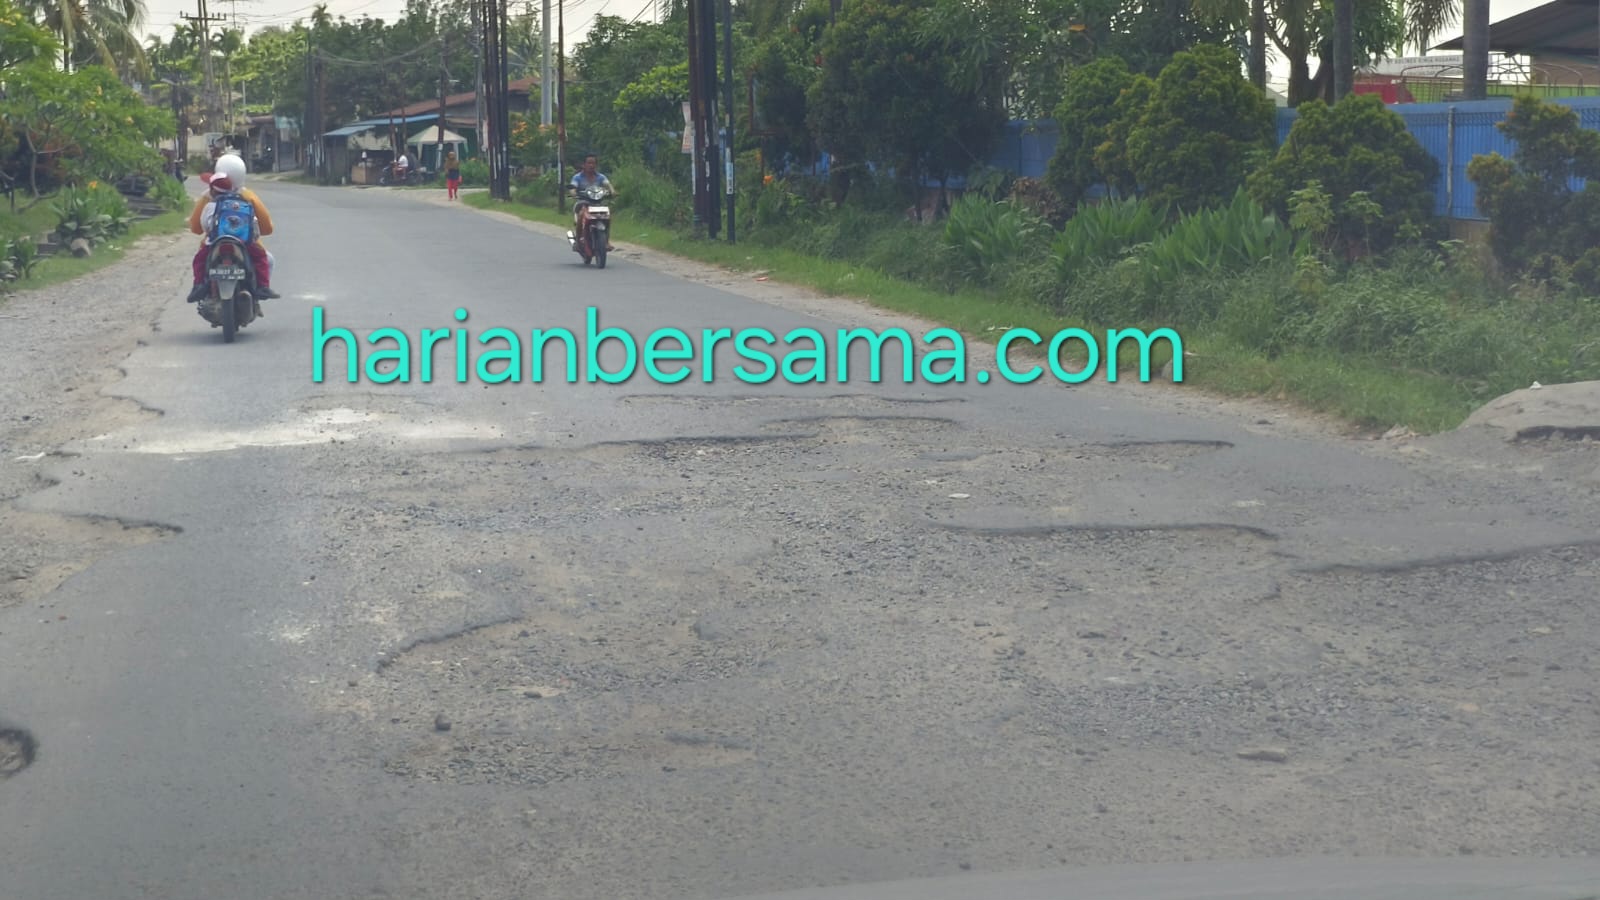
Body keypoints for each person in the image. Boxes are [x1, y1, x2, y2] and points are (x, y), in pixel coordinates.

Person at [187, 153, 277, 302]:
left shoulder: (208, 198)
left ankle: (199, 287)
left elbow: (196, 228)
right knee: (268, 260)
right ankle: (260, 291)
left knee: (200, 260)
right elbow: (267, 228)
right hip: (245, 243)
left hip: (214, 243)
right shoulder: (249, 197)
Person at [570, 154, 615, 251]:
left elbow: (608, 185)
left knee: (607, 216)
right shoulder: (577, 177)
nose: (591, 165)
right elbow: (573, 188)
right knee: (581, 216)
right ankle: (578, 242)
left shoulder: (601, 177)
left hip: (598, 203)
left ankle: (606, 241)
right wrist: (573, 193)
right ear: (584, 165)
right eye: (589, 163)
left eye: (593, 163)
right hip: (583, 203)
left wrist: (612, 191)